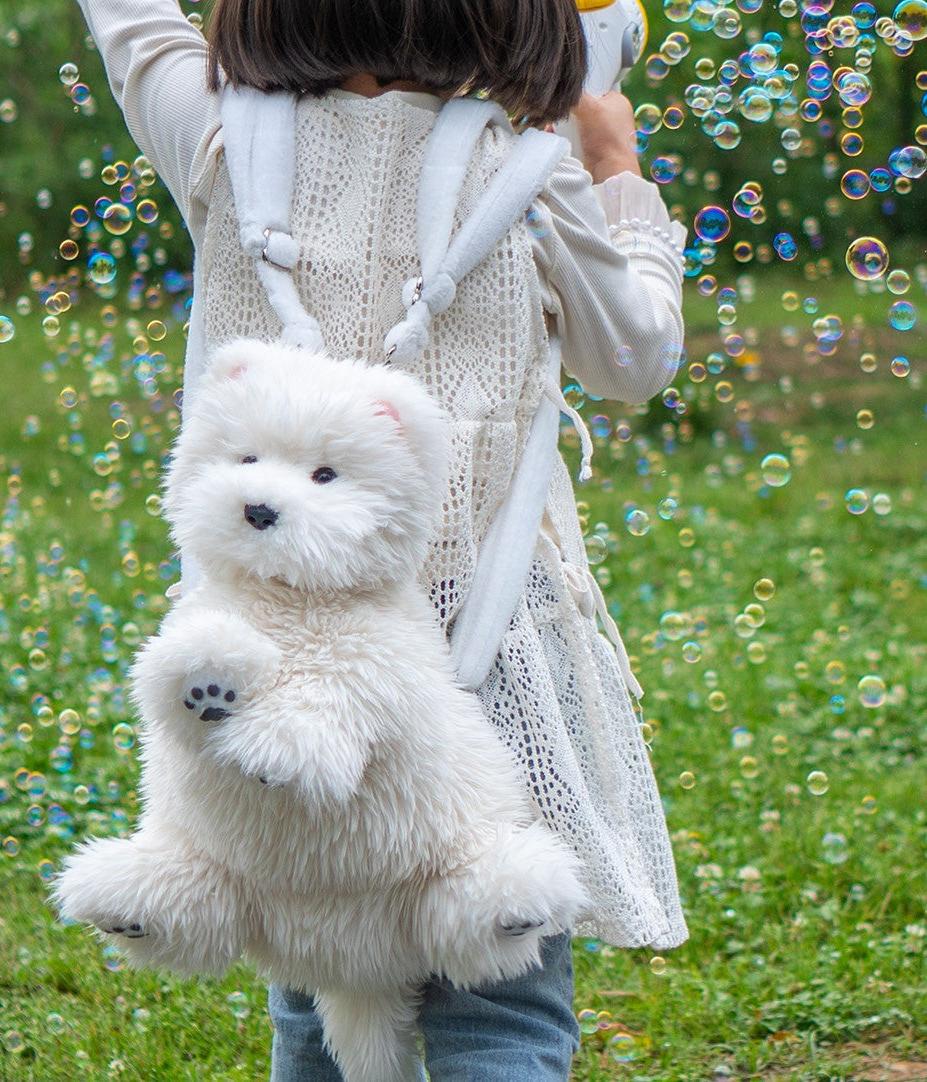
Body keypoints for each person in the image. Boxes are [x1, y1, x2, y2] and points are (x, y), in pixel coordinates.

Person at [73, 0, 689, 1077]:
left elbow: (128, 22)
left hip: (270, 678)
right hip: (483, 667)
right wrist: (614, 160)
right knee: (498, 1011)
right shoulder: (531, 169)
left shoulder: (223, 137)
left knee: (314, 1003)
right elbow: (634, 359)